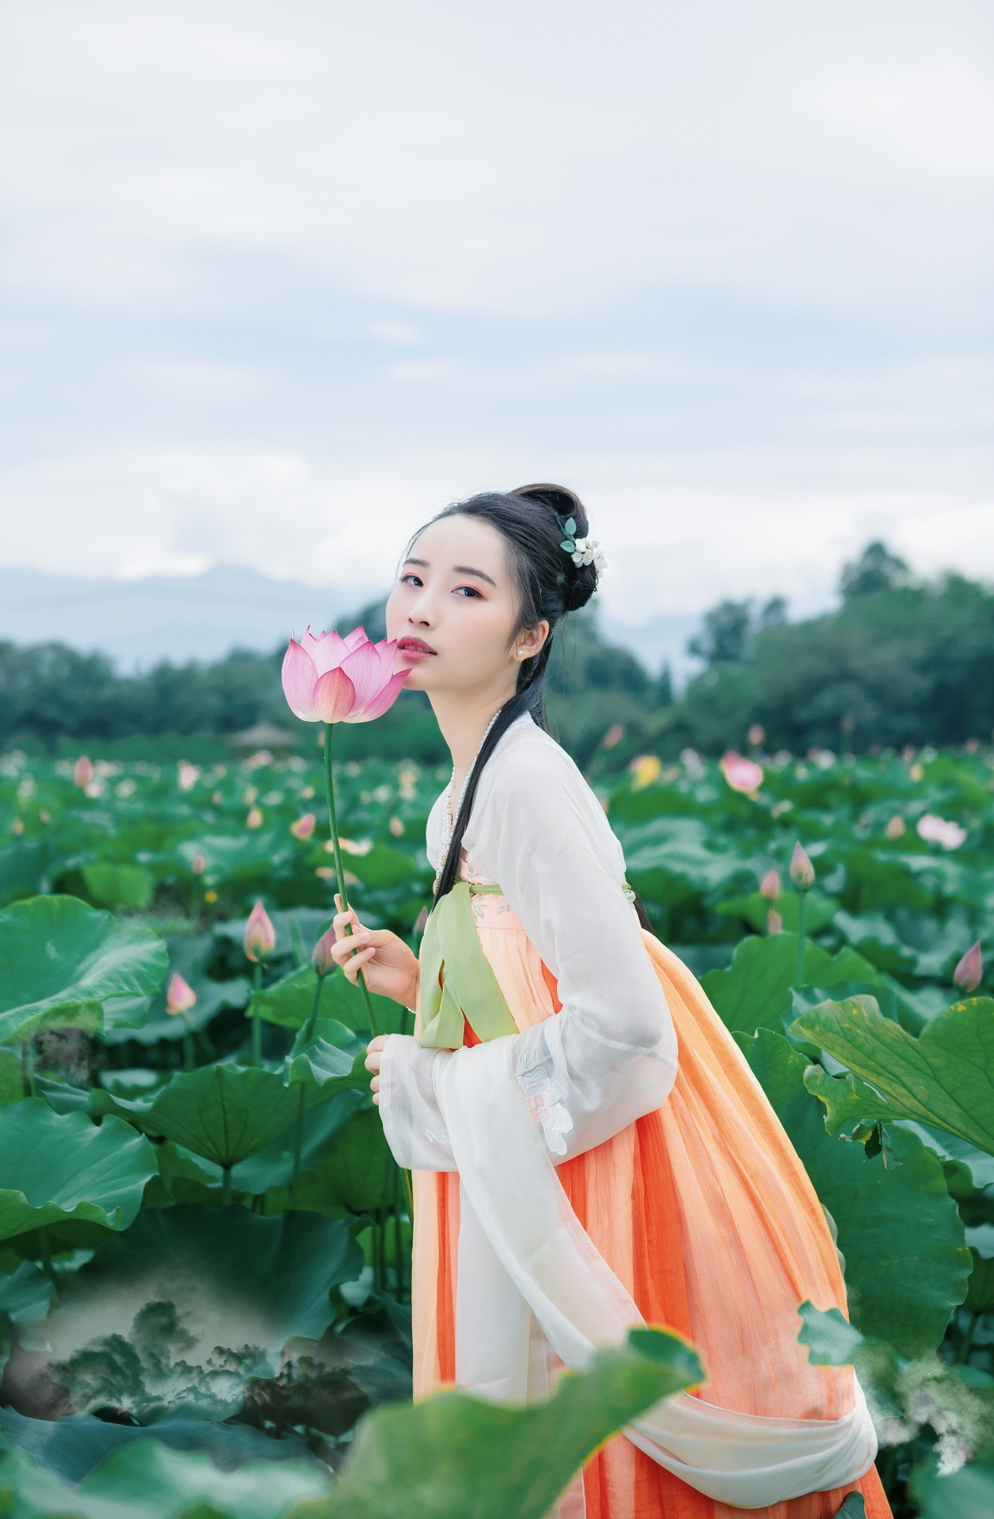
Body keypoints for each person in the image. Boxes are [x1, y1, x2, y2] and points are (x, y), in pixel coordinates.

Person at [330, 485, 891, 1519]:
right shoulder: (464, 789)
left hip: (600, 1158)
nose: (417, 611)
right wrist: (421, 985)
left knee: (597, 1441)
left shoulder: (527, 785)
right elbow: (529, 975)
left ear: (529, 634)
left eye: (462, 590)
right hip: (550, 1137)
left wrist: (438, 1083)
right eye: (411, 579)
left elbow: (624, 1031)